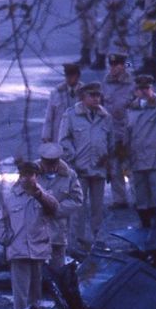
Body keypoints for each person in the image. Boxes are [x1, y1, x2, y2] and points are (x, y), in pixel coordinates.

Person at [0, 161, 60, 309]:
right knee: (20, 295)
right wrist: (7, 240)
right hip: (18, 251)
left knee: (35, 294)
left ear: (36, 177)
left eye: (30, 175)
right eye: (23, 175)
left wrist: (38, 194)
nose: (26, 178)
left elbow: (54, 209)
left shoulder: (43, 195)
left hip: (38, 251)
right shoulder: (10, 197)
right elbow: (1, 222)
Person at [58, 81, 113, 254]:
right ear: (83, 97)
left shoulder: (105, 116)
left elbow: (110, 142)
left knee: (98, 208)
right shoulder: (71, 115)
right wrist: (72, 159)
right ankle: (77, 242)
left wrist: (108, 162)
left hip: (98, 169)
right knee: (78, 208)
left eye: (98, 95)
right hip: (78, 170)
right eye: (93, 95)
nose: (97, 98)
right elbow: (63, 140)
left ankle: (99, 241)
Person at [124, 74, 156, 227]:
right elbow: (127, 134)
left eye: (147, 88)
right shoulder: (131, 109)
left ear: (152, 88)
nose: (144, 91)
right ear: (136, 90)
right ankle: (145, 234)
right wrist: (125, 161)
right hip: (137, 161)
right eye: (141, 88)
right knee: (141, 201)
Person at [35, 143, 83, 268]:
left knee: (58, 269)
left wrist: (56, 209)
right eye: (47, 164)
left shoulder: (69, 175)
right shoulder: (31, 173)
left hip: (58, 231)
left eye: (53, 163)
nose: (50, 168)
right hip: (35, 231)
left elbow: (77, 200)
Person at [102, 53, 135, 209]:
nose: (113, 68)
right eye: (111, 65)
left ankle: (139, 199)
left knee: (132, 167)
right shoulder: (106, 82)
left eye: (116, 65)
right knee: (114, 168)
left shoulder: (132, 84)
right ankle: (119, 200)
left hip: (129, 132)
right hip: (112, 132)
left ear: (123, 65)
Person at [73, 0, 106, 69]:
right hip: (81, 10)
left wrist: (85, 4)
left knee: (94, 33)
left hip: (92, 9)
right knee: (84, 34)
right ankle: (85, 58)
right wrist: (78, 4)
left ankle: (99, 58)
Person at [41, 63, 82, 144]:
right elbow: (49, 116)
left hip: (79, 134)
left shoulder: (84, 92)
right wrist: (46, 135)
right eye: (67, 76)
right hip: (59, 134)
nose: (68, 79)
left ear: (77, 76)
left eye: (71, 76)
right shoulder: (57, 92)